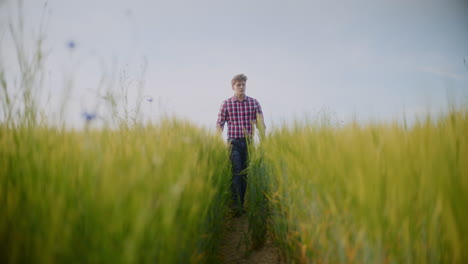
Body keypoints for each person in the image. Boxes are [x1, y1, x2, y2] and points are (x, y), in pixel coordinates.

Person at [216, 73, 266, 216]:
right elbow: (220, 124)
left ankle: (241, 204)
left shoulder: (254, 103)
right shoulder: (226, 104)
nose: (241, 87)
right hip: (233, 143)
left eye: (243, 84)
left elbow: (260, 124)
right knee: (237, 172)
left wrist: (264, 141)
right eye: (238, 85)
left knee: (245, 175)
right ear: (233, 87)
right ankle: (236, 206)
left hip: (248, 143)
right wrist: (215, 142)